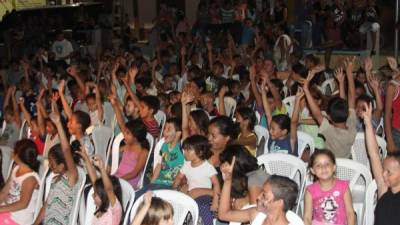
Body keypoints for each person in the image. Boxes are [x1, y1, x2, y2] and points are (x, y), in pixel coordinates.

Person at [33, 100, 82, 225]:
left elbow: (66, 150)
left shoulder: (72, 177)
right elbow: (46, 205)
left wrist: (59, 124)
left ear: (62, 165)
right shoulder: (55, 179)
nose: (49, 165)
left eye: (51, 163)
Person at [218, 156, 301, 225]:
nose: (258, 197)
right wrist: (227, 181)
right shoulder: (256, 214)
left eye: (264, 195)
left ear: (279, 203)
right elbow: (223, 215)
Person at [303, 59, 357, 158]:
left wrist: (306, 89)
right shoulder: (351, 124)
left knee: (304, 154)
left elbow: (317, 114)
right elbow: (351, 97)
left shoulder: (330, 132)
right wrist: (346, 76)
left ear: (330, 118)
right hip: (346, 164)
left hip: (330, 163)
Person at [363, 102, 400, 225]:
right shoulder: (384, 189)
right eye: (384, 169)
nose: (383, 174)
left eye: (389, 172)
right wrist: (368, 124)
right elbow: (374, 154)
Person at [173, 135, 220, 225]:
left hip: (204, 196)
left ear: (200, 152)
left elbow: (216, 184)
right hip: (189, 193)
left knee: (203, 208)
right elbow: (179, 177)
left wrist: (215, 201)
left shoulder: (207, 167)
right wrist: (175, 189)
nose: (185, 152)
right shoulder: (187, 164)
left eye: (188, 150)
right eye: (184, 149)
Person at [303, 149, 355, 225]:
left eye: (327, 164)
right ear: (312, 170)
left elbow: (350, 213)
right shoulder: (310, 191)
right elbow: (307, 217)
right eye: (318, 165)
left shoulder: (343, 187)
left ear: (334, 167)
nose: (323, 168)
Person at [0, 139, 40, 225]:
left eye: (14, 150)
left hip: (19, 219)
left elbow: (23, 204)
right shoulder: (16, 168)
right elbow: (4, 192)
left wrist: (1, 209)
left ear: (18, 156)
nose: (12, 152)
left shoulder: (30, 178)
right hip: (8, 211)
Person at [79, 153, 122, 225]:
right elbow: (93, 178)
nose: (92, 195)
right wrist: (85, 156)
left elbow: (109, 189)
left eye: (95, 194)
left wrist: (101, 168)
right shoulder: (101, 206)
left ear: (104, 196)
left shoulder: (113, 211)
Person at [150, 118, 184, 190]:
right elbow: (159, 165)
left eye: (168, 130)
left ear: (178, 134)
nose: (164, 132)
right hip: (158, 182)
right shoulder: (164, 146)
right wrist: (151, 183)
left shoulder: (182, 148)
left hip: (171, 186)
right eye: (164, 128)